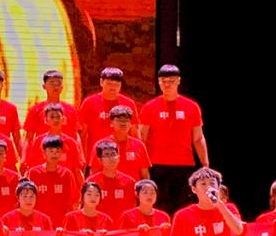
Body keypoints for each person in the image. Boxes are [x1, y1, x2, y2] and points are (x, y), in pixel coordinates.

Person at [139, 65, 208, 215]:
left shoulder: (192, 107)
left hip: (183, 165)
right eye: (163, 81)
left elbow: (198, 138)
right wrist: (142, 165)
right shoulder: (149, 107)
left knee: (182, 207)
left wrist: (205, 164)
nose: (167, 84)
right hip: (156, 165)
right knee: (158, 206)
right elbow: (141, 137)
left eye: (171, 81)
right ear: (159, 82)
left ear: (178, 81)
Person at [77, 67, 138, 155]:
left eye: (116, 84)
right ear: (101, 82)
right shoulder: (89, 103)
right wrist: (82, 156)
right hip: (97, 154)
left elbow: (134, 133)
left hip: (122, 154)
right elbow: (83, 133)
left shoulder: (129, 103)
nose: (113, 88)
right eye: (109, 84)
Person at [86, 105, 151, 181]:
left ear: (130, 124)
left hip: (132, 187)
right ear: (111, 123)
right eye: (119, 120)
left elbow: (145, 175)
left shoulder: (139, 145)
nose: (123, 123)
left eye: (126, 120)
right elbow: (94, 174)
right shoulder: (101, 145)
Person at [26, 136, 79, 225]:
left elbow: (73, 201)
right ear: (44, 152)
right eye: (51, 151)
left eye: (57, 151)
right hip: (39, 223)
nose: (54, 154)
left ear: (61, 153)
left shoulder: (66, 174)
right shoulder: (34, 173)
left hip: (60, 223)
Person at [24, 103, 83, 180]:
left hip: (64, 182)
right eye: (52, 117)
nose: (55, 120)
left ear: (63, 119)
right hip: (43, 182)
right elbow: (31, 168)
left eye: (58, 117)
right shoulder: (38, 142)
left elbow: (77, 170)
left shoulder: (71, 143)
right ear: (46, 120)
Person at [86, 140, 137, 225]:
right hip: (99, 227)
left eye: (113, 154)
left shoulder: (129, 182)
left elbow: (133, 209)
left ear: (119, 158)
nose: (111, 158)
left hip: (122, 227)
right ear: (100, 160)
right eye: (106, 155)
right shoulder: (92, 182)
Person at [24, 69, 79, 143]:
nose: (55, 87)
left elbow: (75, 137)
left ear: (62, 87)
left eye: (58, 84)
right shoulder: (35, 110)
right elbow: (29, 139)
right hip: (42, 148)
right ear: (44, 86)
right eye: (52, 83)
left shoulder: (71, 110)